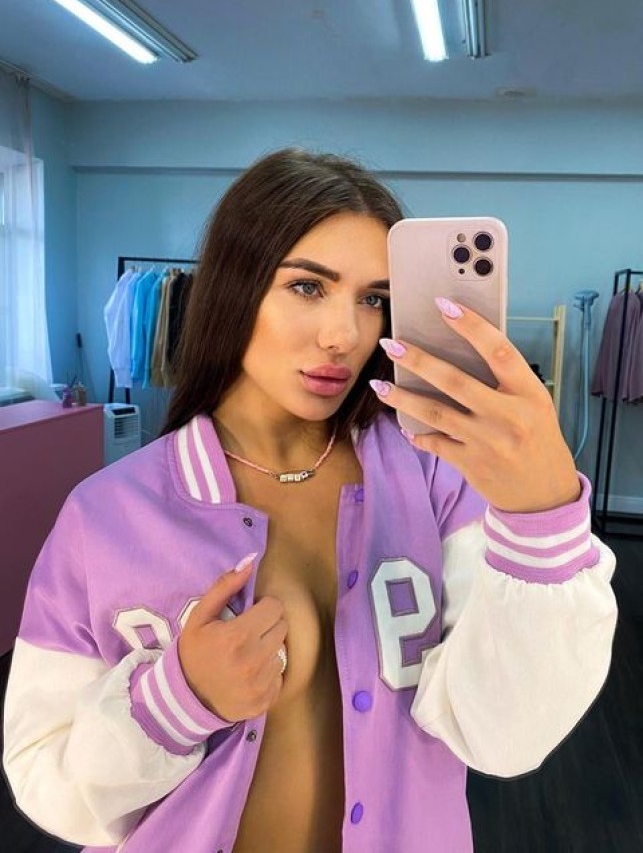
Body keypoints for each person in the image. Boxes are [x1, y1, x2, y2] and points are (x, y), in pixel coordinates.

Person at [3, 148, 617, 853]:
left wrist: (542, 518)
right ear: (234, 287)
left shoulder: (436, 480)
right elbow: (43, 779)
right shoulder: (107, 515)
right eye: (306, 286)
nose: (344, 336)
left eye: (373, 299)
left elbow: (506, 738)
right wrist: (175, 701)